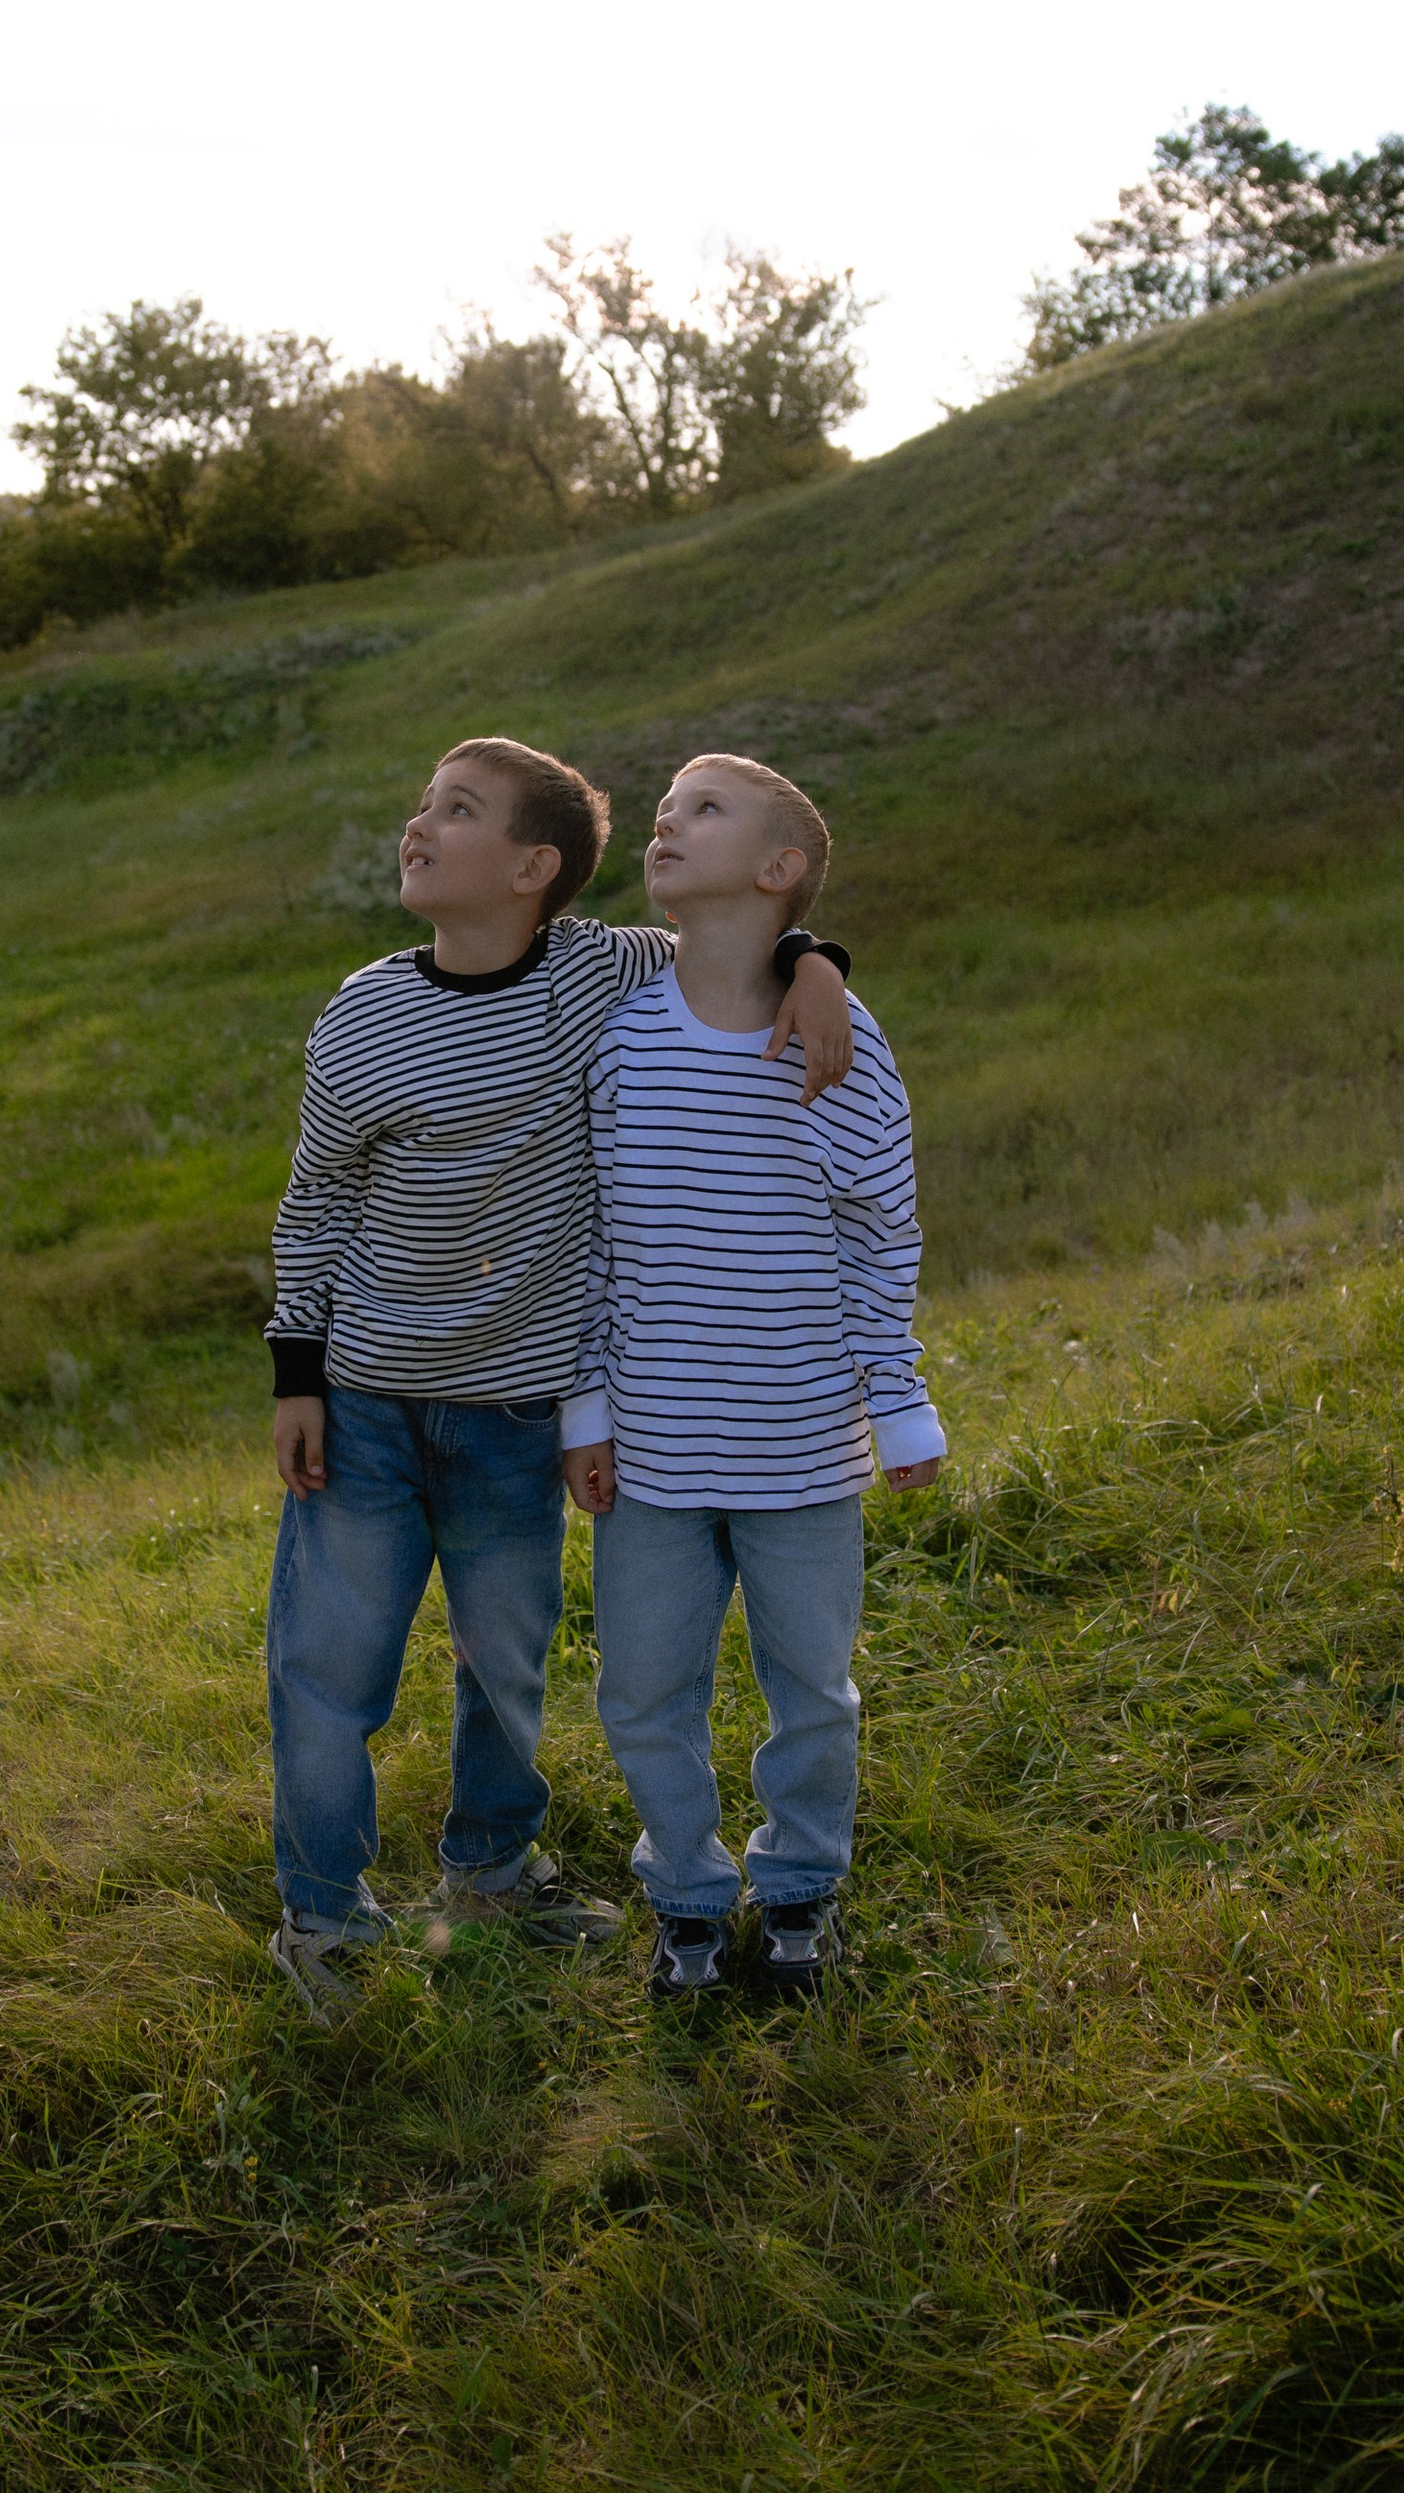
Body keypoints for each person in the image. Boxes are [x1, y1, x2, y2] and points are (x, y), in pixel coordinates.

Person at [262, 734, 859, 2020]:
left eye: (456, 810)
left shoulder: (606, 974)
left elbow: (738, 938)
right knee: (329, 1668)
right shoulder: (363, 1010)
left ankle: (488, 1869)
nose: (418, 825)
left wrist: (817, 966)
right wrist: (295, 1370)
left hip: (517, 1413)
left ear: (535, 868)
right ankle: (322, 1917)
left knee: (506, 1664)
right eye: (422, 803)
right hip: (365, 1396)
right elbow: (314, 1200)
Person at [559, 753, 944, 2006]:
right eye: (665, 810)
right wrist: (588, 1407)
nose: (666, 819)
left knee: (811, 1694)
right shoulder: (620, 1036)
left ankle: (798, 1893)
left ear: (779, 871)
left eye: (702, 807)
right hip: (655, 1456)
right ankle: (683, 1896)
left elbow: (878, 1225)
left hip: (799, 1448)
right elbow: (593, 1238)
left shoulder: (837, 1037)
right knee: (642, 1692)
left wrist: (898, 1400)